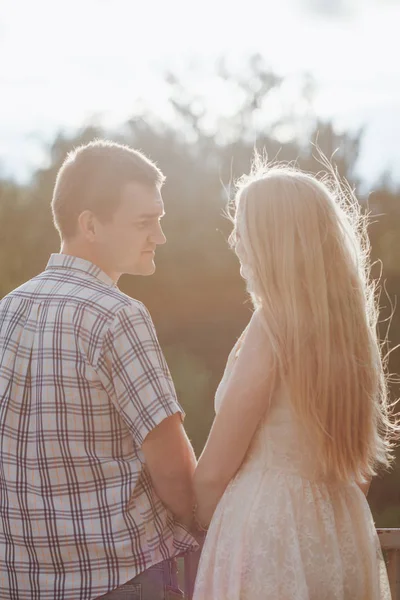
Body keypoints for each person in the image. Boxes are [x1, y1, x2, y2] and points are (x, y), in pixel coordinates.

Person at [0, 140, 198, 600]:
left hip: (17, 582)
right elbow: (172, 468)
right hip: (118, 578)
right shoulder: (118, 315)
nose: (160, 237)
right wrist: (203, 525)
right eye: (145, 222)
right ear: (90, 224)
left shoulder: (7, 310)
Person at [192, 157, 396, 600]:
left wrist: (204, 528)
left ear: (271, 241)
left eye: (242, 229)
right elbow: (357, 470)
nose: (235, 241)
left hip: (269, 531)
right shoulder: (350, 335)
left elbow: (213, 470)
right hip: (339, 529)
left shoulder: (272, 326)